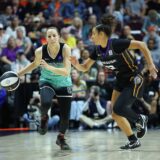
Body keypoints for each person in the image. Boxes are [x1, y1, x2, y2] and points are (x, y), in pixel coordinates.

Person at [70, 14, 158, 149]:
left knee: (119, 108)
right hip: (121, 80)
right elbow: (85, 67)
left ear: (101, 34)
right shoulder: (98, 50)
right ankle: (133, 140)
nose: (91, 37)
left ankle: (140, 119)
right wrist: (76, 64)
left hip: (134, 78)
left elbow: (142, 44)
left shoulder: (116, 44)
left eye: (93, 34)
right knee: (115, 114)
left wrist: (151, 65)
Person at [18, 27, 72, 150]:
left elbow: (67, 71)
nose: (52, 38)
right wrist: (18, 74)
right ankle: (44, 118)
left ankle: (61, 138)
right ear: (45, 39)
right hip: (47, 81)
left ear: (59, 37)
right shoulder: (39, 51)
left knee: (65, 116)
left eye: (54, 35)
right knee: (46, 102)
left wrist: (48, 67)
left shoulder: (65, 49)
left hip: (64, 82)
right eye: (49, 36)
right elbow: (34, 64)